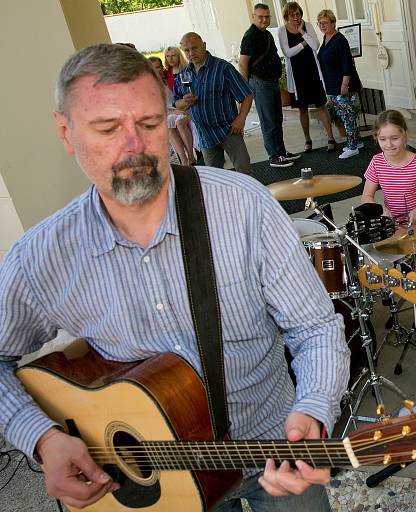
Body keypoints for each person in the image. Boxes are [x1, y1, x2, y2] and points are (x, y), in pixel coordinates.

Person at [0, 43, 350, 511]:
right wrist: (43, 437)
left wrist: (313, 411)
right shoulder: (40, 257)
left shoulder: (243, 206)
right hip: (154, 483)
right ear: (65, 132)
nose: (134, 147)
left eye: (149, 123)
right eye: (107, 128)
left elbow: (316, 328)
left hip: (273, 449)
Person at [361, 109, 416, 341]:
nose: (389, 144)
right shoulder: (376, 162)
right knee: (386, 266)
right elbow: (366, 196)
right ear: (376, 139)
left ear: (405, 135)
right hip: (395, 230)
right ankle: (402, 298)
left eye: (395, 138)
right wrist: (382, 209)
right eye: (382, 139)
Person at [174, 32, 253, 174]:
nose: (191, 53)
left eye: (195, 48)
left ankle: (254, 196)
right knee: (214, 179)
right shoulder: (184, 74)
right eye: (187, 50)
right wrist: (184, 102)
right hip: (205, 134)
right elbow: (176, 103)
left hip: (229, 130)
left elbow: (246, 94)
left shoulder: (222, 68)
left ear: (204, 46)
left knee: (244, 173)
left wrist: (241, 119)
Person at [239, 3, 301, 168]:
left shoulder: (265, 34)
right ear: (253, 17)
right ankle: (274, 156)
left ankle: (280, 152)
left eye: (267, 16)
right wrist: (245, 89)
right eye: (260, 17)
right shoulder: (250, 36)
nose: (264, 20)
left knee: (276, 119)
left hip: (271, 82)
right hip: (260, 83)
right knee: (268, 122)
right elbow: (243, 63)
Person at [277, 2, 337, 153]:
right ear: (287, 16)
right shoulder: (282, 31)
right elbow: (288, 53)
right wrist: (304, 43)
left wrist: (302, 32)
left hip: (312, 71)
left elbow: (315, 45)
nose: (296, 17)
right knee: (302, 109)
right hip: (297, 76)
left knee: (321, 105)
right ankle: (307, 140)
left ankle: (330, 138)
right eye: (292, 15)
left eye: (298, 13)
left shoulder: (307, 26)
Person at [316, 9, 363, 160]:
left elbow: (347, 63)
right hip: (333, 84)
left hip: (343, 84)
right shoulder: (326, 38)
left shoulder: (339, 40)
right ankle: (357, 141)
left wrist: (344, 85)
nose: (322, 25)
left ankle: (352, 146)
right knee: (345, 114)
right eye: (320, 23)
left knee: (346, 115)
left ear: (333, 23)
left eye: (325, 22)